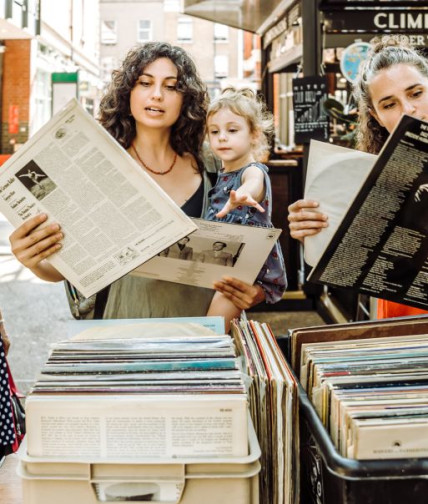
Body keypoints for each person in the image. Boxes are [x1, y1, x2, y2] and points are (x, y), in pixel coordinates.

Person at [9, 42, 265, 322]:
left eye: (171, 87)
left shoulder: (214, 164)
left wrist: (255, 291)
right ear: (128, 92)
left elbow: (255, 250)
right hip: (117, 331)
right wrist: (32, 260)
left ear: (186, 99)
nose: (157, 95)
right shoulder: (96, 166)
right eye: (145, 83)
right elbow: (66, 269)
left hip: (202, 334)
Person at [287, 38, 428, 319]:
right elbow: (348, 266)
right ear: (376, 116)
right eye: (389, 105)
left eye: (416, 93)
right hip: (402, 325)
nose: (408, 110)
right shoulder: (366, 178)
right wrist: (314, 231)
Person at [204, 87, 287, 328]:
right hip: (229, 258)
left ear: (254, 135)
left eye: (232, 130)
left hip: (247, 264)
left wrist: (242, 195)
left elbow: (254, 183)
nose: (222, 137)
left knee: (214, 329)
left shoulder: (252, 170)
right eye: (214, 131)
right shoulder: (223, 172)